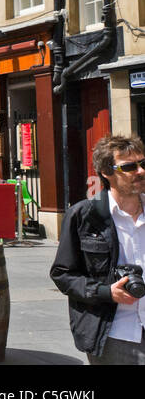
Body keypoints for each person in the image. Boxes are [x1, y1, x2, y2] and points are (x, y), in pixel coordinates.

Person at [50, 133, 145, 364]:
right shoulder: (84, 216)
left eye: (143, 164)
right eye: (129, 167)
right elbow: (63, 274)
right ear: (106, 173)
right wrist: (106, 292)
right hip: (114, 334)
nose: (140, 171)